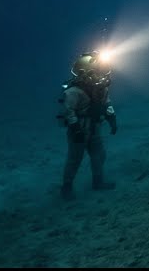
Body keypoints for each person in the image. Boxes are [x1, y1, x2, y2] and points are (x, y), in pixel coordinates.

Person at [57, 50, 119, 200]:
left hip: (94, 127)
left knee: (99, 155)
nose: (102, 75)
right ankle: (67, 187)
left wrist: (112, 119)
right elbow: (68, 111)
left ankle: (98, 181)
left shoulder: (101, 88)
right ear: (86, 72)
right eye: (98, 71)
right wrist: (76, 128)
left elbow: (107, 104)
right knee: (75, 158)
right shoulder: (73, 92)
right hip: (79, 130)